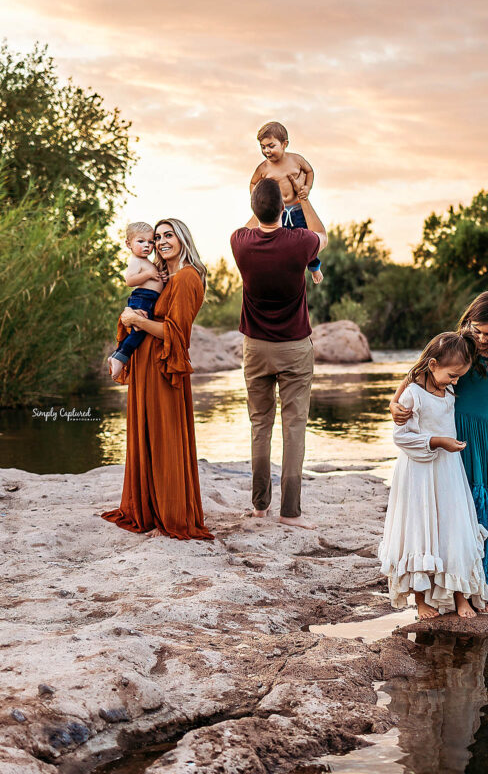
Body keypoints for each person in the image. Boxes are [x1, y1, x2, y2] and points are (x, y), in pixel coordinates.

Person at [391, 290, 488, 610]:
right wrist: (395, 402)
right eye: (477, 329)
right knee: (458, 513)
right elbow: (418, 373)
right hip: (455, 433)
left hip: (486, 441)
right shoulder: (462, 348)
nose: (481, 338)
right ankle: (455, 591)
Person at [102, 219, 214, 541]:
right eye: (158, 237)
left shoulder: (188, 278)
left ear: (182, 238)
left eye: (169, 235)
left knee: (164, 438)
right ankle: (149, 508)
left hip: (165, 369)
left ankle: (172, 512)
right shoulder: (166, 277)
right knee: (147, 436)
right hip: (148, 366)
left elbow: (175, 335)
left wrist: (136, 319)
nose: (162, 241)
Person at [230, 175, 328, 529]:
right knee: (294, 427)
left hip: (255, 348)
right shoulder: (300, 242)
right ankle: (291, 513)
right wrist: (302, 200)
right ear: (283, 208)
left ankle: (260, 507)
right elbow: (324, 236)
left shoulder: (239, 242)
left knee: (260, 426)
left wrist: (260, 202)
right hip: (294, 348)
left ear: (254, 210)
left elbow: (252, 221)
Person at [379, 332, 488, 620]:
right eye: (453, 375)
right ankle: (421, 601)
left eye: (459, 377)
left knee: (455, 530)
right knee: (420, 532)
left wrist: (446, 445)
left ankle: (461, 597)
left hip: (448, 472)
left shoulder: (450, 390)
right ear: (432, 364)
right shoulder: (413, 394)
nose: (456, 382)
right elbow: (401, 437)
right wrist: (437, 442)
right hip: (418, 473)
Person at [249, 121, 323, 283]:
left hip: (297, 207)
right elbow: (253, 182)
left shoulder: (296, 160)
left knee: (308, 237)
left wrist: (307, 188)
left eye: (271, 146)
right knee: (278, 240)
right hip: (278, 213)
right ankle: (277, 268)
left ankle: (314, 268)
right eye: (263, 147)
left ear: (284, 144)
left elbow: (309, 171)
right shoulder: (264, 168)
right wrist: (257, 199)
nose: (266, 151)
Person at [108, 221, 165, 381]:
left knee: (139, 330)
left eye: (150, 242)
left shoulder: (146, 261)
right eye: (141, 241)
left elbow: (155, 280)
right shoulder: (135, 261)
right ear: (128, 244)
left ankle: (116, 355)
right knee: (139, 331)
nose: (147, 245)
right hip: (142, 298)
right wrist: (148, 275)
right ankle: (120, 357)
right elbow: (129, 280)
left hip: (148, 299)